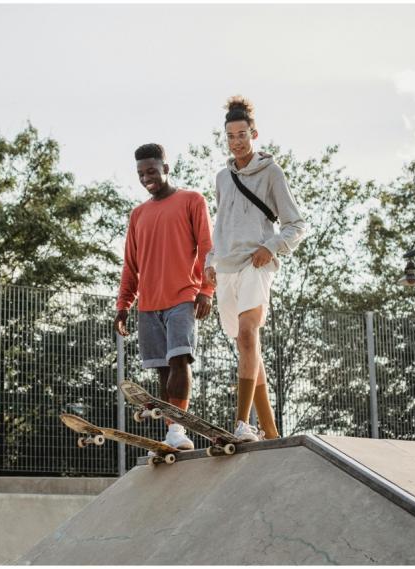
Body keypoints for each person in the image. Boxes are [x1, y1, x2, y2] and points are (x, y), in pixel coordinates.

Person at [204, 96, 307, 442]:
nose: (236, 142)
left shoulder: (271, 172)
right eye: (230, 136)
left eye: (242, 134)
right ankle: (271, 431)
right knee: (247, 347)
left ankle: (241, 423)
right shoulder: (222, 178)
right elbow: (219, 226)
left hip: (255, 265)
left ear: (254, 134)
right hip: (227, 267)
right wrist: (210, 262)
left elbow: (296, 224)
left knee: (249, 335)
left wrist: (271, 246)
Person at [115, 143, 215, 450]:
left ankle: (178, 430)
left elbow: (208, 248)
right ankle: (172, 428)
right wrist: (123, 306)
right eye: (141, 174)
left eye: (152, 171)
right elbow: (131, 265)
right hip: (149, 303)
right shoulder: (138, 214)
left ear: (166, 168)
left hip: (183, 296)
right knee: (161, 367)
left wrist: (206, 290)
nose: (147, 178)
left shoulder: (191, 200)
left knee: (179, 359)